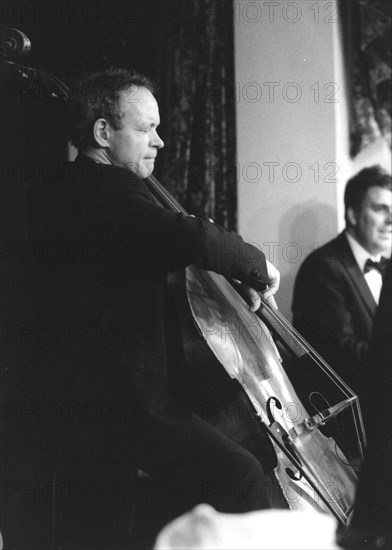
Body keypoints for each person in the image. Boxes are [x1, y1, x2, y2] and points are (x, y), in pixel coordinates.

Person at [3, 68, 280, 548]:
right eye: (146, 128)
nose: (161, 141)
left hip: (83, 401)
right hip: (117, 404)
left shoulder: (67, 188)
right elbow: (190, 236)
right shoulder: (107, 190)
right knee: (242, 476)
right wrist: (259, 267)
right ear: (102, 132)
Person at [292, 166, 391, 404]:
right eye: (380, 209)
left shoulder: (387, 267)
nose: (391, 220)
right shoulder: (322, 267)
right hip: (350, 417)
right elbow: (339, 355)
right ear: (353, 214)